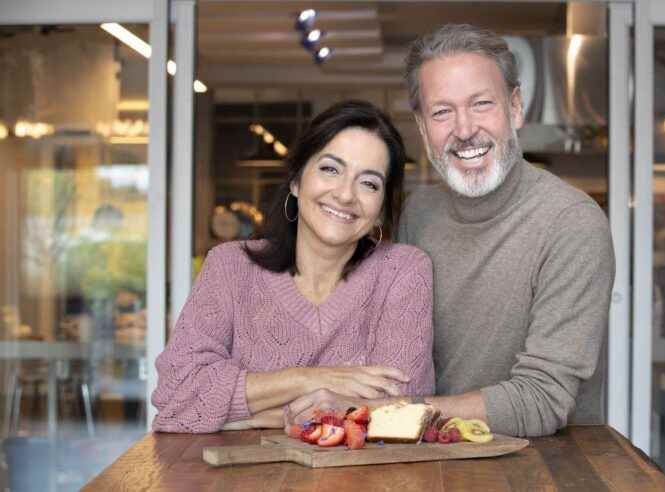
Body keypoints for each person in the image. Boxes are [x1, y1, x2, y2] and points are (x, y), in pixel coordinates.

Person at [285, 24, 615, 438]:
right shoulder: (418, 212)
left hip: (541, 465)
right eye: (442, 111)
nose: (463, 129)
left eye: (481, 104)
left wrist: (379, 410)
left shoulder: (572, 223)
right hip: (430, 455)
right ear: (423, 128)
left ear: (515, 108)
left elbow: (542, 400)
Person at [151, 100, 435, 433]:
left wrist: (242, 415)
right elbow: (176, 396)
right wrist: (309, 379)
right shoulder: (230, 266)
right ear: (296, 181)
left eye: (369, 183)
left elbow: (400, 408)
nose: (345, 195)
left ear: (383, 206)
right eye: (330, 169)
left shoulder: (403, 271)